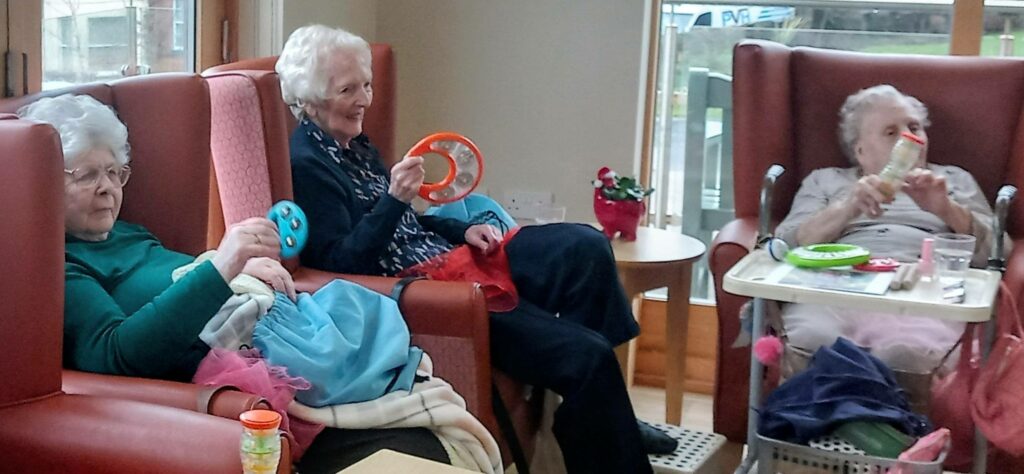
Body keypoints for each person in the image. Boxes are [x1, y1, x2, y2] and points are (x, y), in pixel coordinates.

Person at [278, 25, 673, 473]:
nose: (365, 99)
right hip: (430, 289)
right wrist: (395, 200)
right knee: (588, 356)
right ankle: (601, 413)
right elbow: (343, 264)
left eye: (366, 84)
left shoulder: (353, 145)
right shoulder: (307, 165)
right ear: (309, 101)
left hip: (447, 254)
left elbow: (407, 223)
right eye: (348, 89)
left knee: (584, 245)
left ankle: (604, 411)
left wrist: (458, 230)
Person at [22, 94, 453, 473]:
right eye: (88, 175)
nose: (108, 189)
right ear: (41, 183)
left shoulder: (130, 233)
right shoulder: (61, 265)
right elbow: (115, 356)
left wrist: (241, 271)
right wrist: (222, 268)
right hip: (254, 372)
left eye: (116, 173)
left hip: (279, 331)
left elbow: (184, 276)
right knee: (404, 441)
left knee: (423, 437)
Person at [774, 84, 1002, 373]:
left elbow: (998, 253)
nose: (910, 138)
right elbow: (785, 245)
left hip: (920, 290)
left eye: (915, 127)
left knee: (904, 355)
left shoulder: (953, 180)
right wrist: (848, 206)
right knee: (817, 344)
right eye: (891, 132)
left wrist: (946, 209)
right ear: (860, 151)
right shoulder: (826, 181)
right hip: (835, 284)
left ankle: (892, 417)